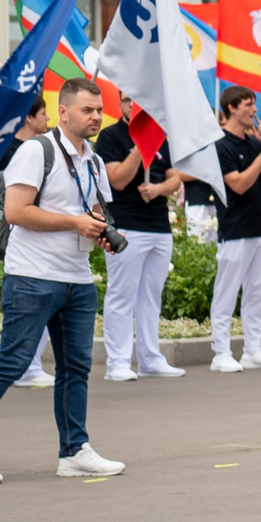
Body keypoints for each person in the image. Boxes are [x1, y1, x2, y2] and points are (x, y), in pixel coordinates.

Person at [0, 77, 129, 482]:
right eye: (87, 110)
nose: (96, 117)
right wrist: (74, 222)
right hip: (32, 276)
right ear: (62, 112)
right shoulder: (36, 150)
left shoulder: (93, 161)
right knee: (12, 362)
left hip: (77, 279)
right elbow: (16, 211)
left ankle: (74, 451)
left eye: (99, 110)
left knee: (75, 369)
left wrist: (101, 232)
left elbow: (93, 212)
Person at [96, 100, 185, 382]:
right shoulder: (111, 136)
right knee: (121, 295)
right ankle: (118, 362)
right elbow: (117, 180)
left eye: (139, 100)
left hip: (159, 226)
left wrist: (158, 189)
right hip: (126, 226)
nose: (133, 105)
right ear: (120, 102)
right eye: (127, 100)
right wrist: (139, 146)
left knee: (150, 297)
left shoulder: (160, 137)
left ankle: (150, 359)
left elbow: (175, 178)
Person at [208, 87, 261, 373]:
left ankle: (253, 350)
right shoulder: (220, 145)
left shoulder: (256, 144)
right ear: (231, 108)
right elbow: (239, 184)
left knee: (258, 292)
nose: (254, 110)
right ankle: (221, 352)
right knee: (226, 292)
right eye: (248, 104)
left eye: (254, 104)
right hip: (235, 229)